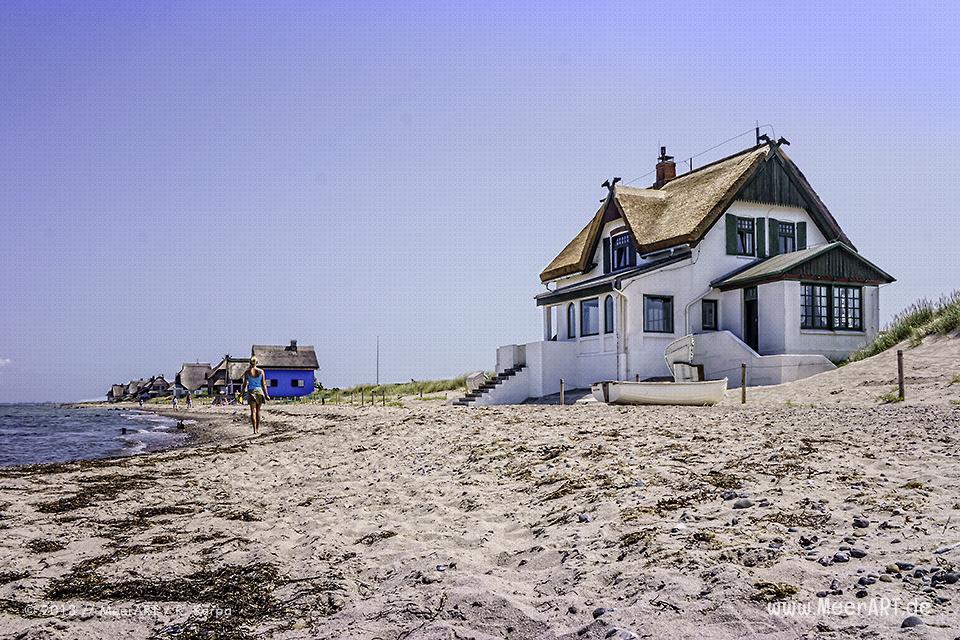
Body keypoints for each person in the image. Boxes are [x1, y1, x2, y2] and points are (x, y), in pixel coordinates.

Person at [241, 356, 269, 434]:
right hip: (260, 392)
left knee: (253, 411)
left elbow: (244, 384)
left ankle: (254, 430)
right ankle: (258, 428)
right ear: (257, 363)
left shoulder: (247, 372)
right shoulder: (261, 371)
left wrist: (242, 393)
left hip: (251, 392)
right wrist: (266, 394)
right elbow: (263, 384)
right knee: (258, 411)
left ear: (250, 363)